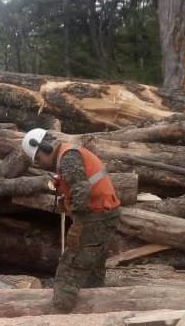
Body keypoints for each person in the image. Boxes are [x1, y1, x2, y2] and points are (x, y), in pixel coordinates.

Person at [21, 128, 121, 312]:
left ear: (44, 148)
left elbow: (82, 190)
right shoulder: (66, 155)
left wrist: (78, 224)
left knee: (70, 265)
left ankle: (59, 311)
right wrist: (66, 201)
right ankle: (95, 307)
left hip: (96, 216)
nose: (40, 164)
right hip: (105, 213)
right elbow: (78, 186)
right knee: (93, 264)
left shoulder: (68, 158)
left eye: (38, 159)